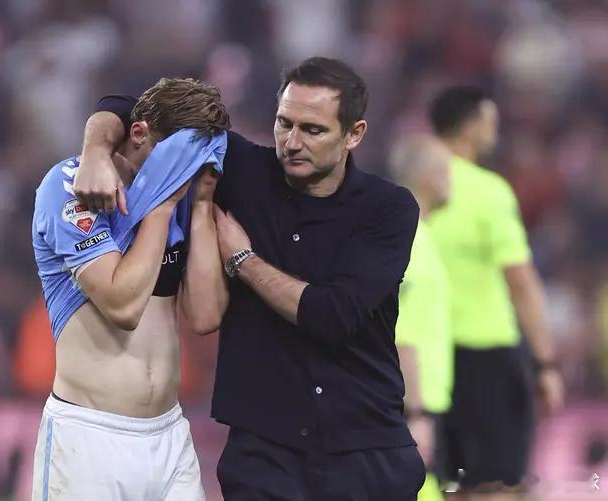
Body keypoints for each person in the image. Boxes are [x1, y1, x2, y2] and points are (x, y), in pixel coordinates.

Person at [75, 57, 425, 500]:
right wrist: (95, 152)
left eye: (313, 130)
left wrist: (243, 260)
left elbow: (333, 315)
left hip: (365, 450)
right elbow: (133, 108)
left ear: (353, 134)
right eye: (284, 123)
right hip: (263, 455)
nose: (292, 143)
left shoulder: (388, 208)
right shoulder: (241, 168)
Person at [30, 77, 231, 501]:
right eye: (176, 161)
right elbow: (122, 305)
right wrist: (161, 203)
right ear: (138, 134)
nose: (182, 174)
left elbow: (205, 316)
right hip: (89, 440)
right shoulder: (70, 188)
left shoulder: (183, 198)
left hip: (171, 436)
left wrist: (199, 207)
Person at [426, 86, 565, 498]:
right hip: (486, 354)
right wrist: (546, 362)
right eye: (489, 122)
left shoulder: (409, 189)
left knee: (448, 480)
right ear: (470, 127)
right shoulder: (488, 191)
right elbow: (520, 279)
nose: (496, 131)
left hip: (428, 360)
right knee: (497, 482)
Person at [389, 135, 454, 501]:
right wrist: (417, 414)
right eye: (447, 171)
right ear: (429, 175)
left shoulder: (418, 234)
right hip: (410, 406)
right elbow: (403, 332)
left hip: (420, 403)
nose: (452, 181)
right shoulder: (410, 238)